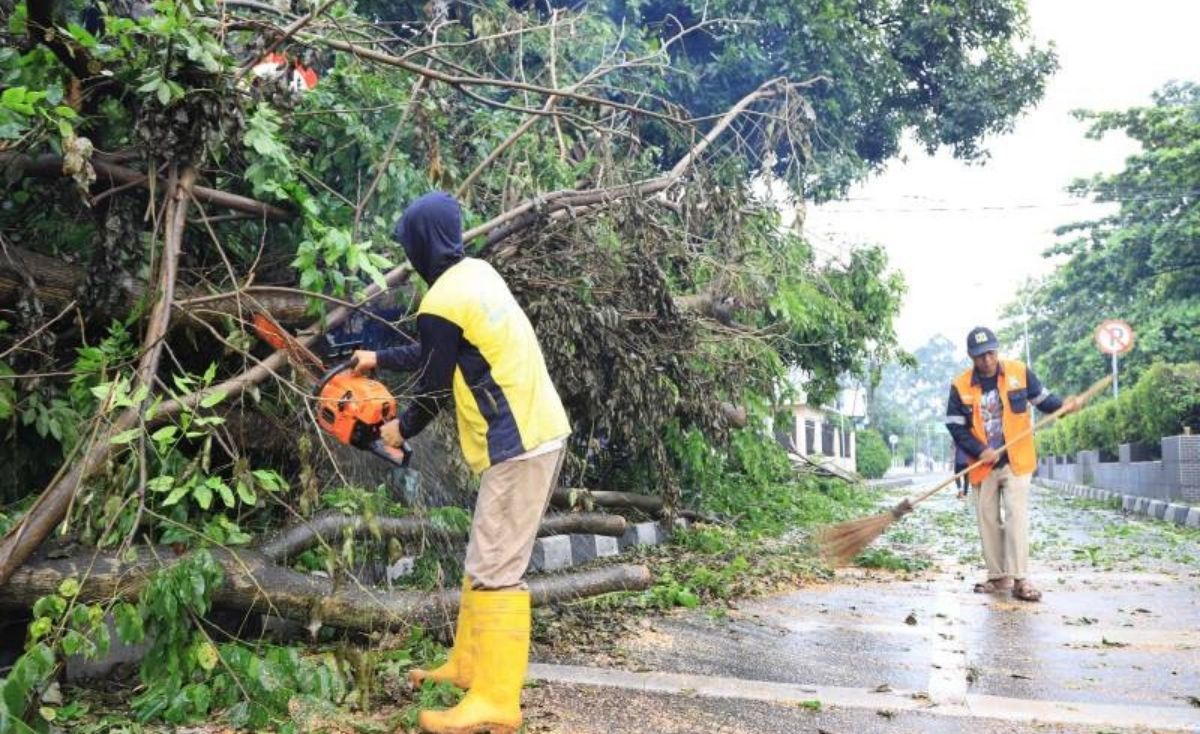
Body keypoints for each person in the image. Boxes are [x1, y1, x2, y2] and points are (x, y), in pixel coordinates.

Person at [352, 192, 570, 733]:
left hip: (518, 442)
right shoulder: (476, 275)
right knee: (484, 556)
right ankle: (469, 665)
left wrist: (398, 429)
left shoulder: (442, 301)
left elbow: (431, 385)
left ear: (420, 245)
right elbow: (440, 354)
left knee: (497, 569)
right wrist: (376, 358)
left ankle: (497, 699)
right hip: (531, 431)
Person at [943, 327, 1077, 602]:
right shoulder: (960, 386)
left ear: (997, 349)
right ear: (971, 356)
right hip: (982, 465)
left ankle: (1020, 579)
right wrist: (980, 450)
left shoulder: (1019, 372)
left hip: (1016, 460)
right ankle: (997, 576)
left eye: (991, 353)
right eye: (980, 356)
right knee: (988, 520)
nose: (987, 360)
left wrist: (1064, 406)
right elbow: (955, 428)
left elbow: (1043, 400)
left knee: (1016, 516)